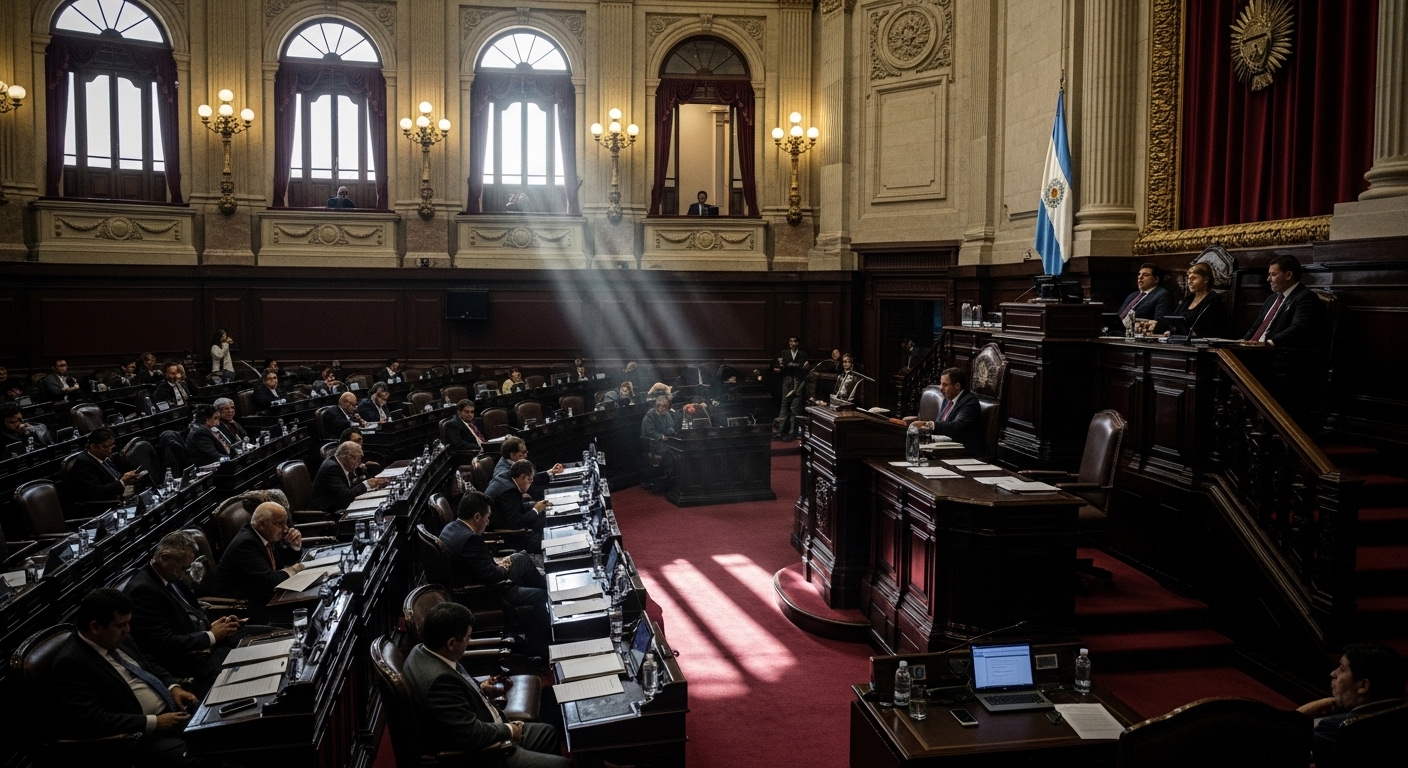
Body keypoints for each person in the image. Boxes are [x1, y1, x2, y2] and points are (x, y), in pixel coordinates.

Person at [49, 588, 204, 768]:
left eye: (128, 623)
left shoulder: (116, 638)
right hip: (141, 739)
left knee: (225, 731)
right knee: (204, 756)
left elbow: (148, 666)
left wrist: (173, 687)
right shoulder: (71, 663)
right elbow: (94, 719)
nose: (128, 630)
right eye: (121, 625)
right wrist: (154, 722)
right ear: (95, 627)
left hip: (174, 714)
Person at [403, 602, 569, 767]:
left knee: (548, 734)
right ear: (451, 643)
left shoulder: (422, 651)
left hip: (488, 724)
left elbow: (454, 699)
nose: (469, 641)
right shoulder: (439, 682)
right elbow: (471, 734)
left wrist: (480, 688)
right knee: (563, 765)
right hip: (488, 753)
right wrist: (509, 730)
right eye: (468, 637)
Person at [123, 532, 260, 689]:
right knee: (254, 664)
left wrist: (214, 626)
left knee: (274, 636)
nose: (184, 573)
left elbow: (189, 612)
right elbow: (163, 643)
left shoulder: (169, 575)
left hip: (204, 643)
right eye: (183, 567)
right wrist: (210, 636)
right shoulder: (143, 591)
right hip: (191, 661)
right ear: (164, 558)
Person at [439, 491, 551, 659]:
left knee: (521, 558)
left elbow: (477, 566)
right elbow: (492, 576)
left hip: (475, 581)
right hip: (486, 593)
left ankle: (547, 586)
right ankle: (537, 648)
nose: (488, 521)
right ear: (477, 516)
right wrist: (503, 568)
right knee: (540, 595)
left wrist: (498, 563)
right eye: (487, 517)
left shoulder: (450, 528)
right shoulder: (470, 540)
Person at [1296, 642, 1405, 768]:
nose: (1333, 673)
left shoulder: (1332, 729)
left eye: (1342, 669)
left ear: (1363, 686)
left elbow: (1280, 741)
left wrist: (1299, 713)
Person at [212, 502, 307, 615]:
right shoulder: (246, 544)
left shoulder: (264, 535)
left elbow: (280, 562)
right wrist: (294, 570)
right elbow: (270, 581)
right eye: (280, 524)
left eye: (285, 524)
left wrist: (294, 546)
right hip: (242, 609)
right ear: (261, 525)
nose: (285, 529)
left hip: (263, 596)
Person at [1240, 254, 1325, 348]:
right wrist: (1243, 341)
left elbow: (1299, 328)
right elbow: (1257, 326)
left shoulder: (1306, 297)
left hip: (1275, 353)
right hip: (1253, 351)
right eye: (1269, 274)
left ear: (1288, 275)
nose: (1268, 279)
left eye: (1273, 274)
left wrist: (1269, 343)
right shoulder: (1271, 299)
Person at [914, 368, 984, 457]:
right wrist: (919, 422)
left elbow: (958, 427)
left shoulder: (970, 402)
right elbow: (942, 423)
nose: (940, 388)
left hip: (963, 452)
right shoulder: (948, 399)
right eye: (941, 384)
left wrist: (928, 425)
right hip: (944, 445)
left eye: (944, 385)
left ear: (957, 386)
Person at [484, 459, 550, 551]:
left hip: (504, 519)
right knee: (544, 528)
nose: (530, 484)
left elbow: (515, 507)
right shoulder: (510, 491)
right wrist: (535, 510)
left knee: (542, 514)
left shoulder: (505, 477)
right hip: (504, 532)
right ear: (523, 477)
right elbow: (516, 522)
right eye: (530, 480)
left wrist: (535, 505)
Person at [1152, 262, 1228, 338]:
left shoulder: (1213, 300)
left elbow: (1207, 329)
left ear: (1206, 279)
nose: (1189, 282)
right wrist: (1169, 331)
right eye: (1189, 278)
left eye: (1194, 278)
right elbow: (1174, 320)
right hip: (1180, 341)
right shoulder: (1188, 299)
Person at [68, 427, 142, 504]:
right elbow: (95, 492)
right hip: (105, 504)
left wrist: (129, 478)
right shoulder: (83, 463)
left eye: (111, 445)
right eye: (105, 447)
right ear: (93, 446)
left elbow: (115, 478)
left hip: (119, 495)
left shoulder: (104, 456)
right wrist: (122, 482)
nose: (110, 450)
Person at [311, 441, 387, 513]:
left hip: (338, 508)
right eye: (358, 458)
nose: (360, 462)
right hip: (326, 515)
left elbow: (352, 487)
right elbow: (345, 496)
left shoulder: (341, 464)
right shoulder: (332, 468)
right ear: (349, 458)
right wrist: (367, 484)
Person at [1120, 263, 1177, 333]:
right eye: (1139, 274)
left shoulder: (1163, 295)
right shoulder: (1132, 295)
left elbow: (1160, 323)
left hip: (1141, 336)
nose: (1140, 277)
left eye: (1145, 275)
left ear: (1156, 279)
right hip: (1119, 333)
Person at [641, 394, 680, 493]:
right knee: (670, 451)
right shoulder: (650, 416)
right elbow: (649, 431)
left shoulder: (666, 414)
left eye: (666, 407)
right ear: (658, 406)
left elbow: (671, 425)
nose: (664, 409)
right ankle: (670, 473)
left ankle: (674, 475)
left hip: (666, 440)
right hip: (653, 443)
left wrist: (670, 432)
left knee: (677, 448)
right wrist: (661, 436)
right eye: (662, 407)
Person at [772, 336, 810, 441]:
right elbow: (782, 367)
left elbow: (803, 367)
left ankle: (792, 432)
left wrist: (792, 366)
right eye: (790, 341)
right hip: (787, 380)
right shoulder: (784, 353)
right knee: (784, 405)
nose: (792, 343)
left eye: (794, 341)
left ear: (797, 343)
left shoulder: (802, 354)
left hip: (798, 381)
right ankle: (780, 431)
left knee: (794, 407)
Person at [492, 436, 564, 488]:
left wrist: (551, 471)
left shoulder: (511, 462)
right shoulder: (503, 472)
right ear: (512, 455)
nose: (526, 454)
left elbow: (530, 478)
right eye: (523, 452)